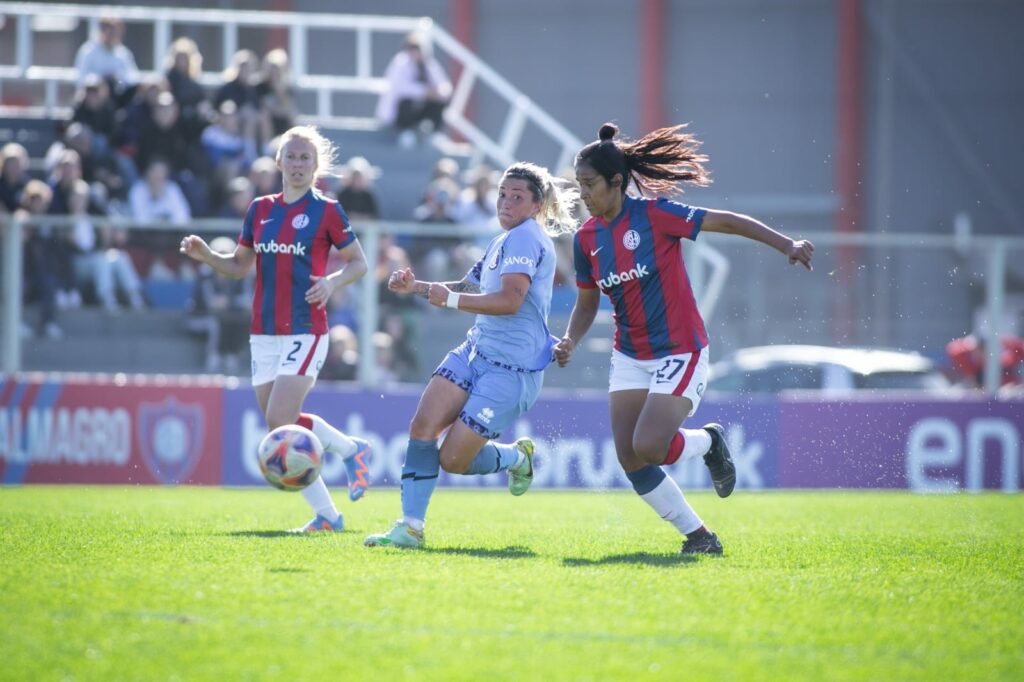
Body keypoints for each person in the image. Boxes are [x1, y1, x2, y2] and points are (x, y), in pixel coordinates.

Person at [554, 123, 815, 555]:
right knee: (630, 457)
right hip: (630, 354)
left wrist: (785, 243)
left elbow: (727, 222)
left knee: (651, 446)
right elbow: (585, 304)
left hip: (680, 348)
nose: (583, 194)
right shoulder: (586, 239)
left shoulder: (655, 215)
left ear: (616, 182)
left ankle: (709, 441)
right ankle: (700, 537)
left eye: (590, 184)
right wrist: (570, 341)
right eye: (579, 184)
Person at [364, 162, 579, 549]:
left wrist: (450, 301)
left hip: (512, 372)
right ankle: (410, 528)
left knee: (453, 460)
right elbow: (467, 285)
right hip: (475, 351)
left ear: (536, 206)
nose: (506, 203)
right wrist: (417, 287)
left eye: (517, 197)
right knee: (422, 426)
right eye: (502, 194)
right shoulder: (503, 239)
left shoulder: (528, 238)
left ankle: (516, 459)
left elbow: (510, 301)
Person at [179, 125, 373, 532]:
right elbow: (237, 266)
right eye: (292, 156)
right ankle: (334, 499)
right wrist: (206, 256)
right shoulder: (260, 209)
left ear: (316, 165)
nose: (298, 164)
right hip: (263, 330)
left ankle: (339, 482)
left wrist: (332, 282)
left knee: (282, 416)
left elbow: (359, 262)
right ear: (279, 162)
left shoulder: (327, 210)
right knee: (277, 423)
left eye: (305, 157)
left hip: (306, 327)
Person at [375, 33, 452, 148]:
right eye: (412, 49)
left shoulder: (429, 64)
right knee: (407, 102)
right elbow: (400, 89)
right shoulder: (400, 63)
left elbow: (445, 87)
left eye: (418, 49)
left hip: (419, 109)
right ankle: (406, 131)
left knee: (439, 103)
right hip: (400, 114)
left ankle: (435, 134)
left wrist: (436, 93)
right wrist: (425, 92)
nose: (415, 52)